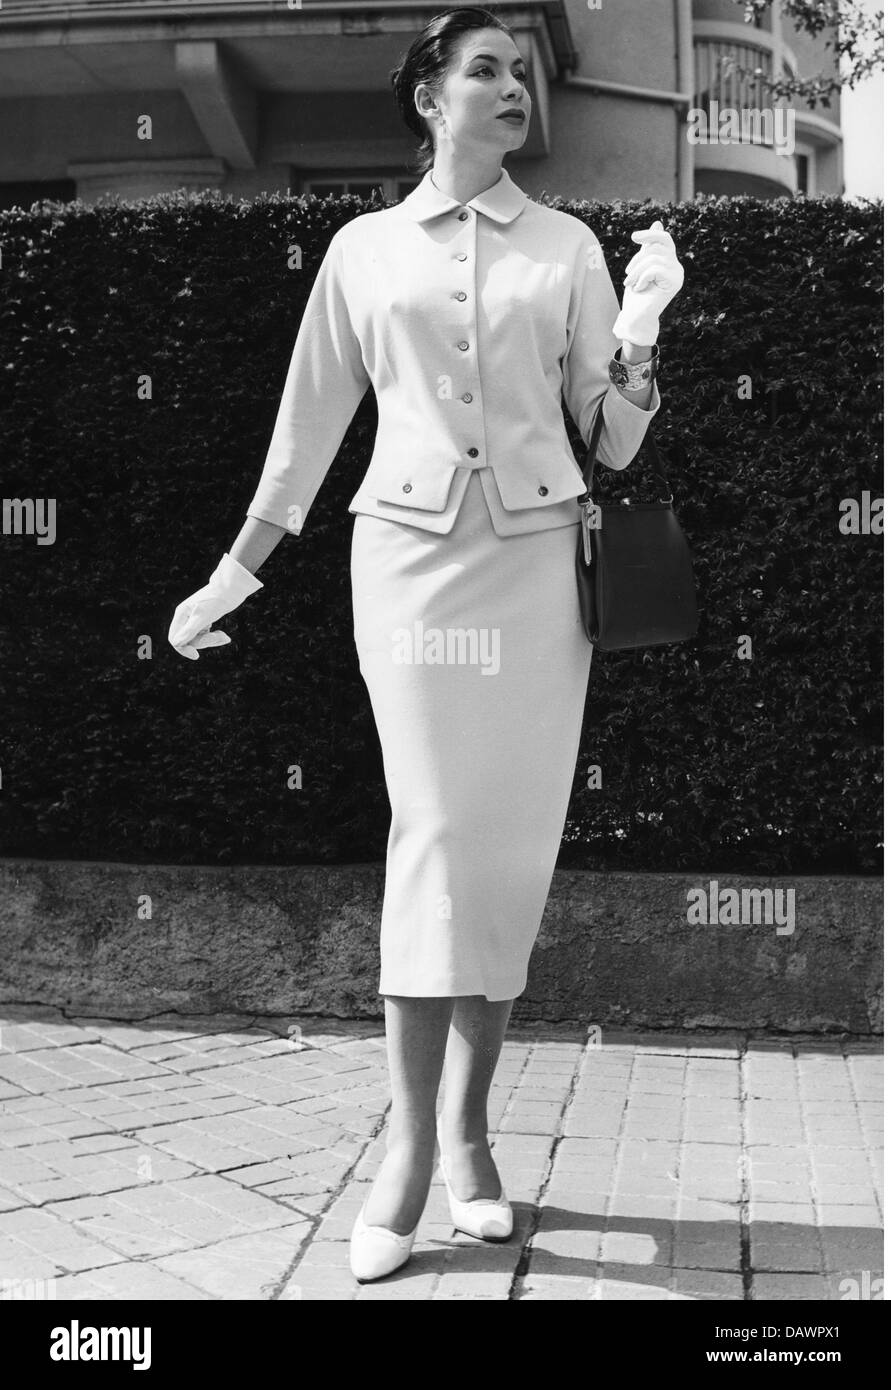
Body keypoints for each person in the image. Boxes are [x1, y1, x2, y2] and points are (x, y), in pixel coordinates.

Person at [168, 6, 684, 1283]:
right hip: (407, 571)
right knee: (435, 836)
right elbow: (305, 432)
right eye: (488, 70)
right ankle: (409, 1150)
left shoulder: (566, 246)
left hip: (533, 572)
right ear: (429, 98)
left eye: (523, 74)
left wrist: (639, 337)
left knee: (506, 855)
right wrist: (233, 575)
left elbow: (608, 443)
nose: (514, 89)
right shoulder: (360, 250)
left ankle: (468, 1135)